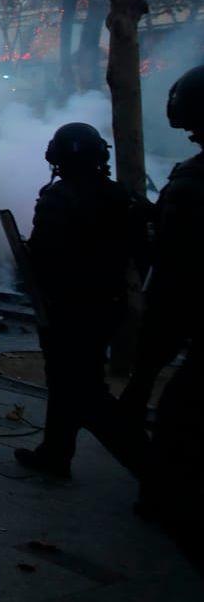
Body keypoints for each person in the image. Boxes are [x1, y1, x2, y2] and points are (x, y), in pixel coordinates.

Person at [15, 122, 147, 478]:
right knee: (65, 380)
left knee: (85, 392)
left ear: (56, 157)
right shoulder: (122, 196)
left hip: (68, 307)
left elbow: (45, 254)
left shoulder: (58, 197)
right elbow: (142, 251)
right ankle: (55, 454)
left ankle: (155, 471)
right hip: (107, 303)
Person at [122, 66, 204, 561]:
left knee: (179, 414)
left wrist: (148, 358)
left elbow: (177, 275)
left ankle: (169, 503)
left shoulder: (194, 183)